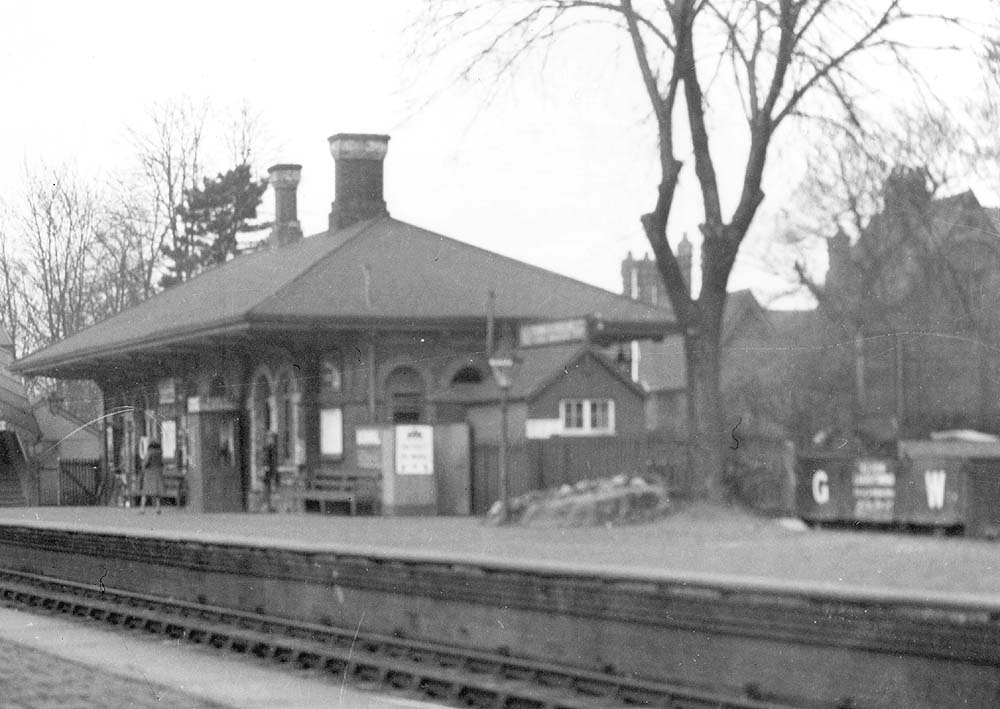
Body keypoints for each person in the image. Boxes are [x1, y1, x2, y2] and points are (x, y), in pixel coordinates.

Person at [139, 440, 164, 514]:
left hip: (149, 474)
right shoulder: (160, 454)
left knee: (145, 492)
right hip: (157, 473)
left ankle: (142, 509)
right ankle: (158, 508)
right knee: (157, 493)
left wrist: (143, 466)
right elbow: (161, 464)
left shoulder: (149, 453)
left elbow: (145, 463)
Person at [264, 431, 279, 512]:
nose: (268, 439)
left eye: (269, 438)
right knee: (268, 489)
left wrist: (271, 471)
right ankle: (269, 506)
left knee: (272, 489)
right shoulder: (268, 448)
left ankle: (273, 506)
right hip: (268, 472)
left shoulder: (272, 448)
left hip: (271, 472)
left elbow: (273, 462)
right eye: (267, 438)